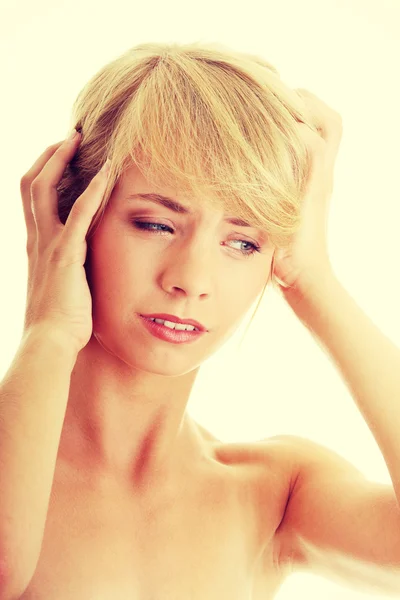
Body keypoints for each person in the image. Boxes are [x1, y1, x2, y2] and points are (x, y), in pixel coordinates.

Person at [1, 41, 400, 599]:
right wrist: (47, 331)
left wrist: (313, 280)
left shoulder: (274, 493)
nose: (192, 278)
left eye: (242, 241)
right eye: (156, 224)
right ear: (71, 215)